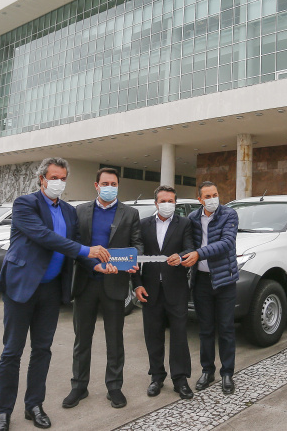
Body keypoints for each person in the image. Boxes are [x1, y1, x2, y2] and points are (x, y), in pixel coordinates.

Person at [0, 158, 108, 431]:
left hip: (51, 289)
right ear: (42, 179)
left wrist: (97, 264)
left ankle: (34, 405)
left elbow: (75, 245)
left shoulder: (68, 211)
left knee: (42, 350)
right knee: (12, 352)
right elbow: (44, 236)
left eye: (63, 178)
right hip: (22, 287)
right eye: (54, 177)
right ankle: (3, 413)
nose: (59, 183)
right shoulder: (25, 204)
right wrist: (87, 251)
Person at [64, 167, 143, 411]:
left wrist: (134, 260)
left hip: (115, 284)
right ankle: (79, 386)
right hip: (86, 283)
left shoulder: (130, 213)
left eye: (114, 184)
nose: (110, 187)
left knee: (115, 339)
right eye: (105, 183)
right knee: (82, 339)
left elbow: (137, 244)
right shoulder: (80, 211)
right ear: (96, 185)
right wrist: (94, 265)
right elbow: (75, 246)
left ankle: (114, 387)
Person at [133, 185, 196, 400]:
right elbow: (135, 257)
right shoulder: (143, 225)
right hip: (150, 289)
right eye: (163, 201)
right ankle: (157, 377)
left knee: (179, 335)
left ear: (175, 203)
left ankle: (180, 379)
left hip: (176, 288)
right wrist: (137, 284)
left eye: (171, 201)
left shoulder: (184, 223)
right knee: (153, 334)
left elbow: (190, 248)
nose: (167, 204)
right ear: (156, 203)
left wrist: (181, 256)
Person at [182, 181, 239, 395]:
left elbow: (226, 243)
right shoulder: (193, 218)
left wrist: (198, 254)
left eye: (215, 194)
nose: (213, 199)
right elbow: (188, 244)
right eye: (207, 196)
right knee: (205, 329)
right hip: (202, 282)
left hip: (225, 280)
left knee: (226, 328)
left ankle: (227, 373)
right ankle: (207, 371)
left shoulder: (229, 215)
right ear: (200, 199)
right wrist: (183, 255)